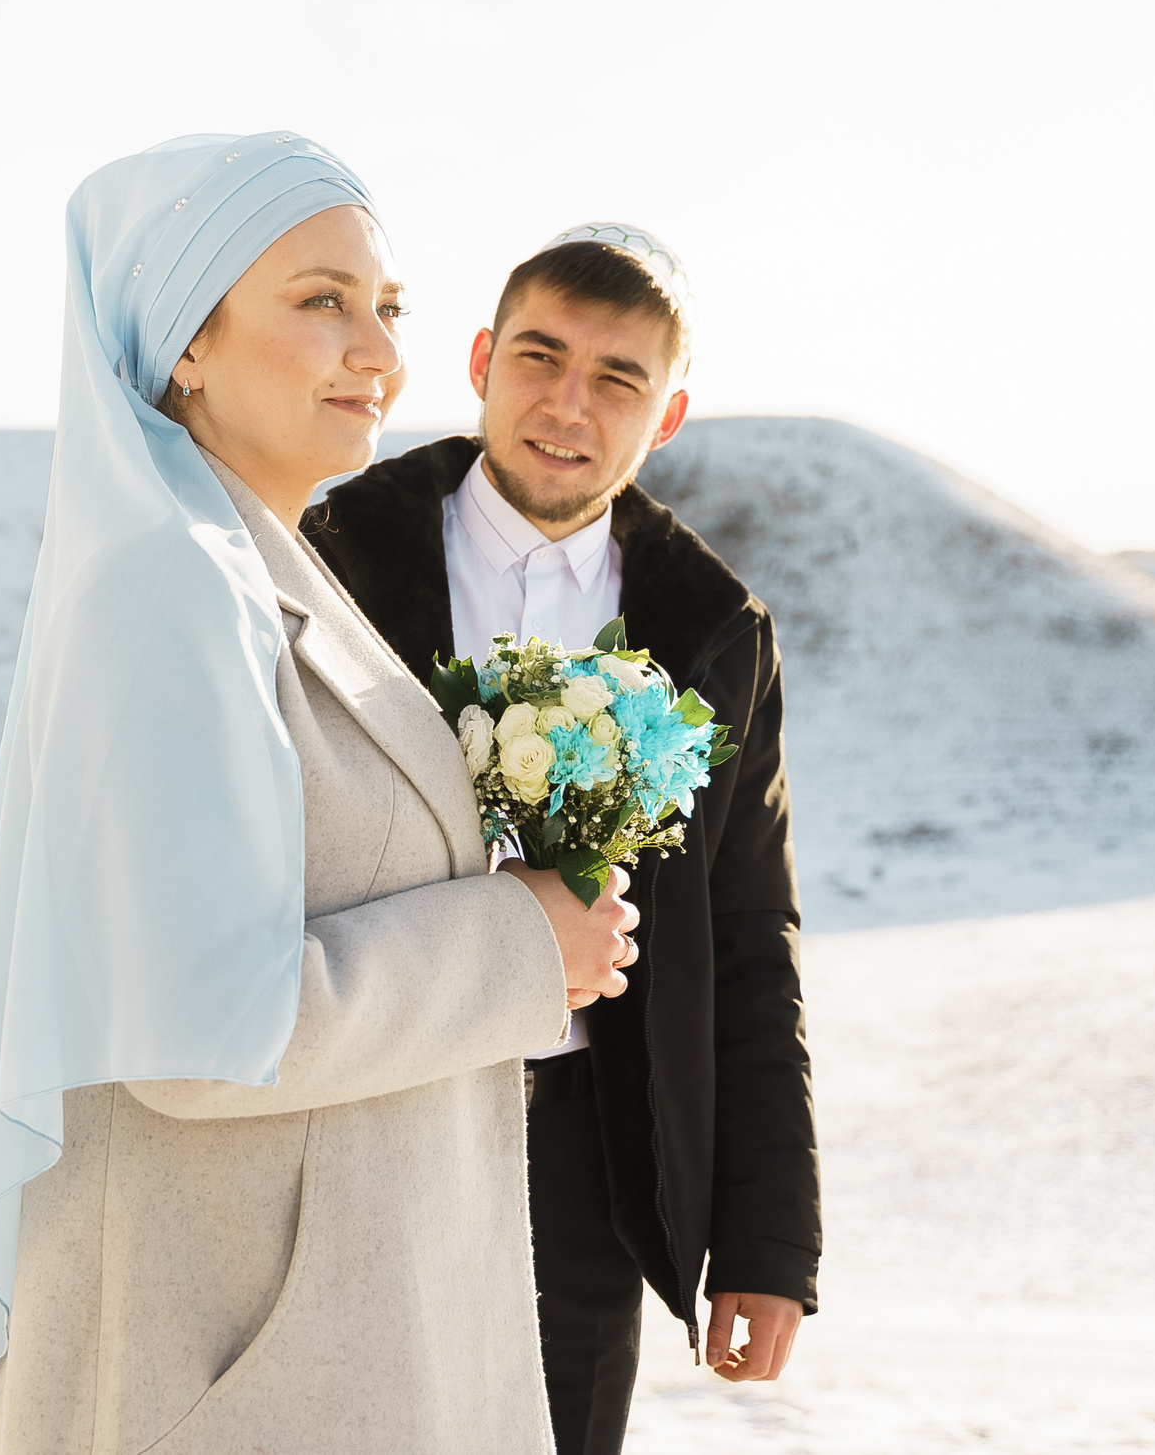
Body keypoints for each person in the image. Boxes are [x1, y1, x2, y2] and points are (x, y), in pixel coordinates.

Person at [0, 136, 642, 1454]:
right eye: (322, 300)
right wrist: (522, 940)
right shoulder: (171, 584)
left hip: (324, 1355)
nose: (377, 350)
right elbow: (200, 1028)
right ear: (185, 343)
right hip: (241, 1378)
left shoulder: (255, 563)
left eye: (389, 307)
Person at [303, 224, 821, 1455]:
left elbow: (749, 933)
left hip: (588, 1151)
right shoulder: (331, 556)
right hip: (361, 1103)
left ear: (669, 416)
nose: (567, 404)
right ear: (481, 359)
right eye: (540, 356)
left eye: (617, 379)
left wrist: (765, 1240)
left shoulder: (713, 630)